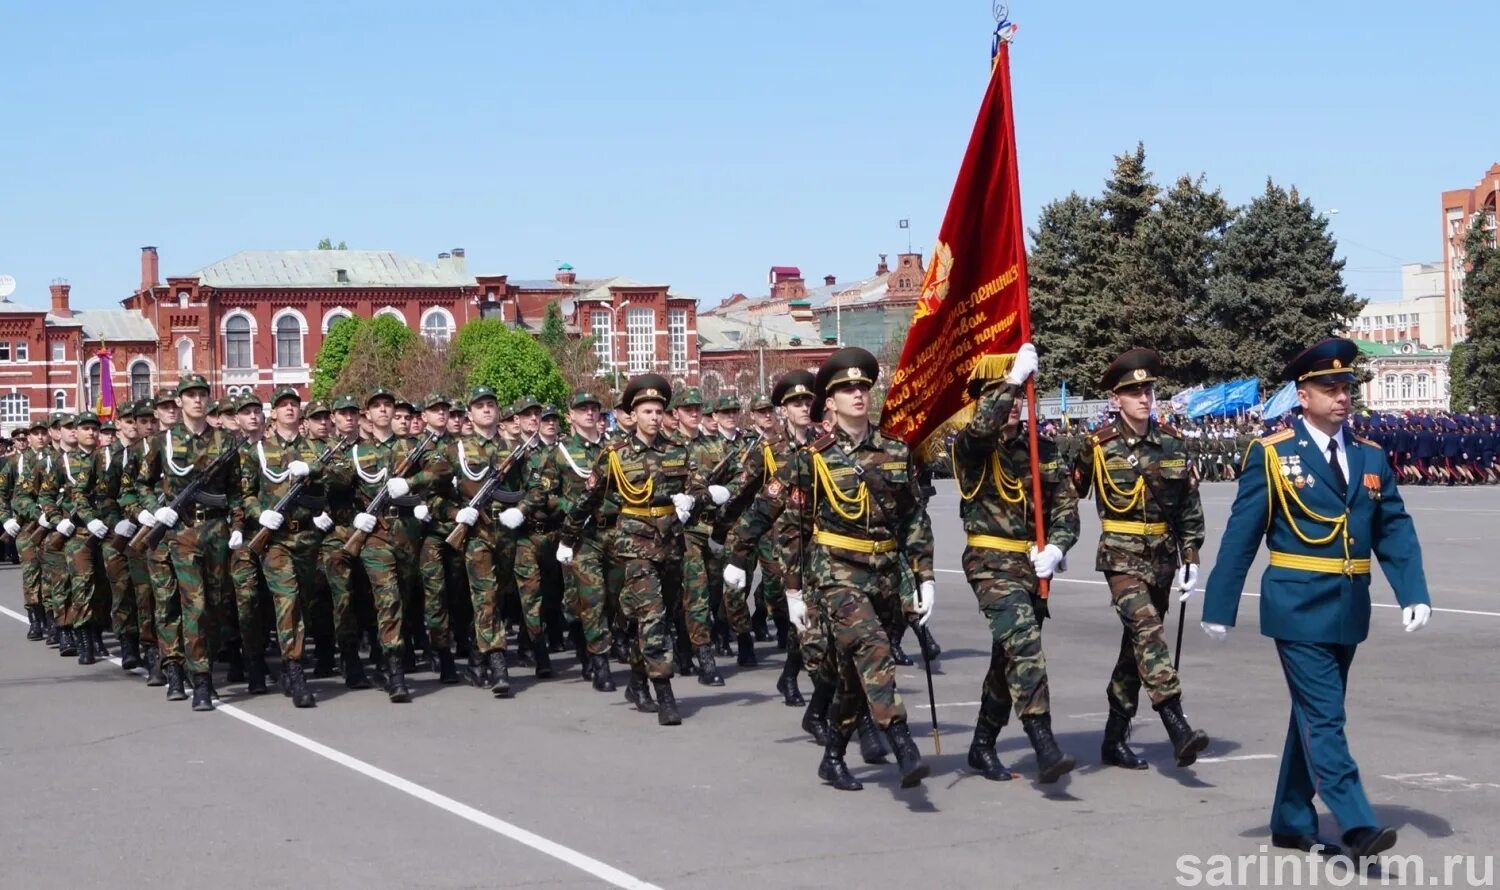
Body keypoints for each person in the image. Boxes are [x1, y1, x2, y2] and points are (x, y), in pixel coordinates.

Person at [1202, 337, 1431, 861]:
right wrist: (1221, 603)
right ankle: (1356, 823)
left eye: (1347, 386)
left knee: (1311, 715)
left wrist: (1412, 590)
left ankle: (1290, 819)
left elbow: (1393, 527)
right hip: (1297, 605)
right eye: (1329, 387)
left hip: (1350, 604)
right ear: (1302, 396)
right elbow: (1243, 534)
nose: (1342, 396)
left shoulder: (1369, 455)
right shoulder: (1274, 454)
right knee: (1325, 716)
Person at [768, 347, 936, 790]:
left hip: (884, 572)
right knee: (874, 648)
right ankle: (901, 740)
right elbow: (792, 526)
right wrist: (792, 589)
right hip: (836, 573)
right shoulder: (813, 457)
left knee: (852, 673)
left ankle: (834, 755)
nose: (857, 394)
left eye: (862, 386)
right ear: (831, 401)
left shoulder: (895, 451)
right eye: (846, 388)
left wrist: (925, 577)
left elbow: (913, 519)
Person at [1072, 348, 1210, 770]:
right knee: (1148, 632)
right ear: (1117, 399)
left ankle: (1114, 738)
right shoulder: (1097, 447)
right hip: (1121, 557)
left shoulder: (1173, 442)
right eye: (1134, 392)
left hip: (1164, 559)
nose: (1144, 398)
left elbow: (1188, 505)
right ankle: (1175, 721)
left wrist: (1191, 555)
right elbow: (1066, 495)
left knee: (1135, 651)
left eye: (1148, 390)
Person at [952, 344, 1078, 784]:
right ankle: (1042, 740)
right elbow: (981, 428)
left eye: (1017, 395)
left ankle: (982, 744)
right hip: (989, 561)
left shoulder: (1042, 448)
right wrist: (1009, 381)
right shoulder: (970, 447)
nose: (1009, 408)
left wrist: (1057, 549)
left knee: (1007, 656)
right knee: (1023, 641)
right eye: (999, 397)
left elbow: (1065, 511)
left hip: (1031, 563)